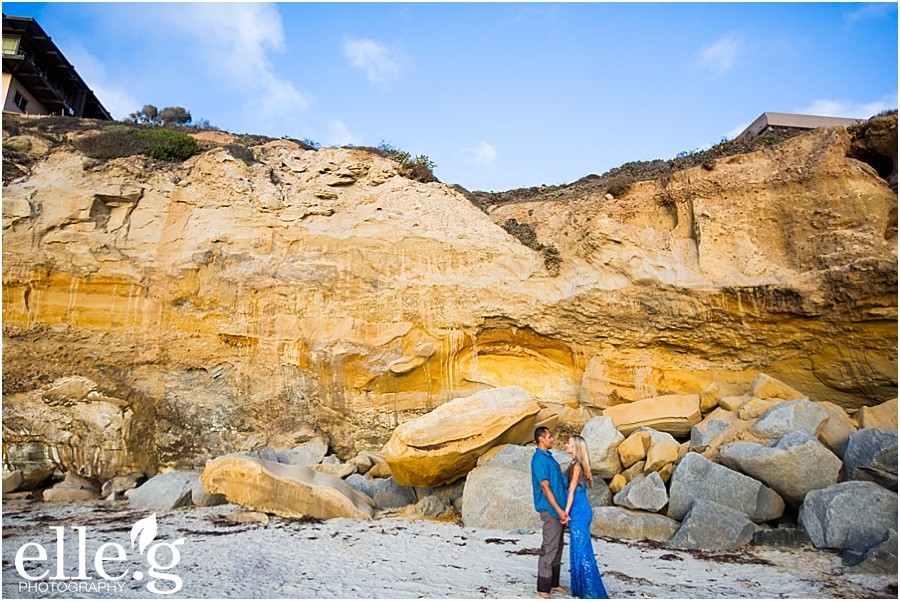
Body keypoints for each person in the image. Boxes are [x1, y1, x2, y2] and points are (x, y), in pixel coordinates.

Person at [563, 435, 609, 599]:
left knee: (582, 550)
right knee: (578, 548)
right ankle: (582, 589)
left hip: (579, 512)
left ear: (576, 447)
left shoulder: (577, 466)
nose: (566, 444)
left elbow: (571, 491)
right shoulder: (574, 464)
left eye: (569, 443)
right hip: (579, 510)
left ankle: (590, 590)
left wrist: (565, 511)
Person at [531, 426, 570, 599]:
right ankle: (543, 587)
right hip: (551, 509)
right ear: (541, 439)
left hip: (560, 509)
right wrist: (558, 510)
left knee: (558, 547)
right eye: (549, 436)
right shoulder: (539, 459)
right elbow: (545, 487)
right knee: (549, 547)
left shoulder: (549, 457)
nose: (552, 439)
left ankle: (554, 582)